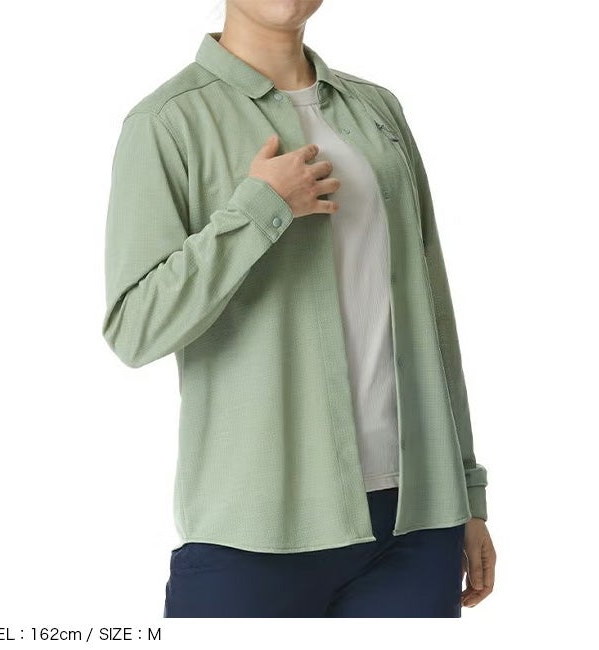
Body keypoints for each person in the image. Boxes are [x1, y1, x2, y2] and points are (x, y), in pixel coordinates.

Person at [102, 0, 496, 617]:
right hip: (255, 531)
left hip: (416, 520)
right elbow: (134, 327)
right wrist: (260, 208)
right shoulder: (167, 121)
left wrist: (466, 492)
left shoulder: (378, 110)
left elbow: (434, 316)